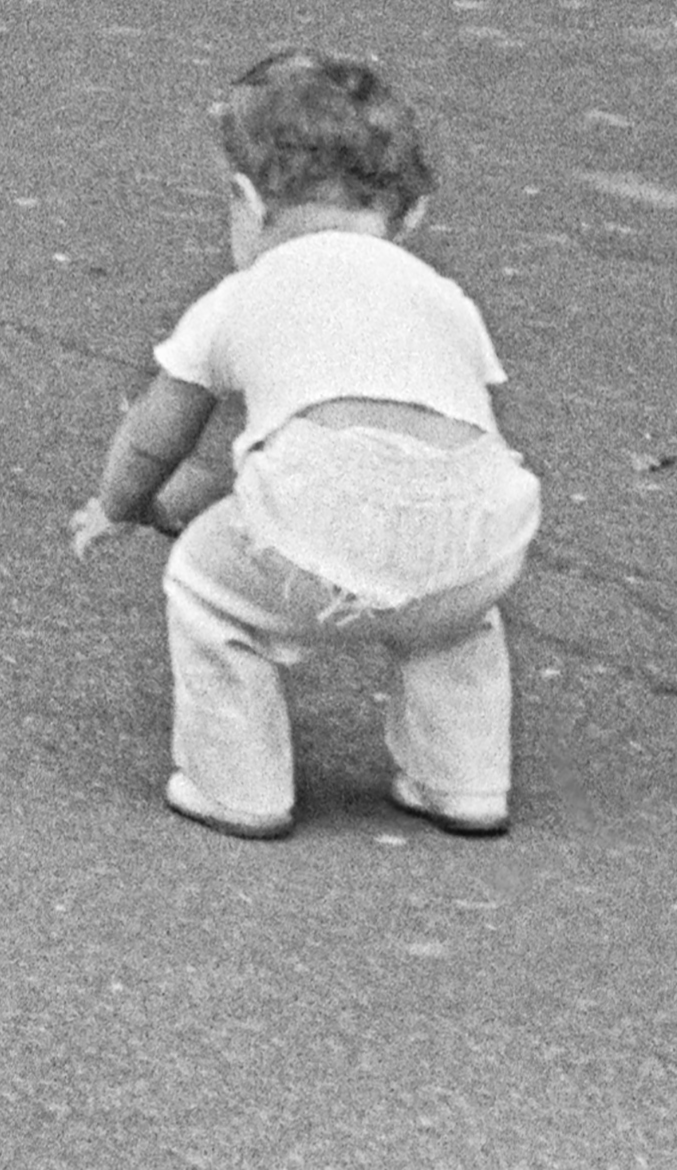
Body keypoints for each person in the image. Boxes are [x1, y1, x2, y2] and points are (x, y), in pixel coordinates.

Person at [76, 48, 535, 841]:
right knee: (455, 619)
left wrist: (121, 505)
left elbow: (157, 434)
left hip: (314, 518)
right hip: (484, 524)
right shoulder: (447, 300)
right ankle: (463, 781)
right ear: (411, 214)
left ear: (246, 202)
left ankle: (237, 784)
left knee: (206, 588)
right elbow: (437, 421)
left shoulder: (240, 296)